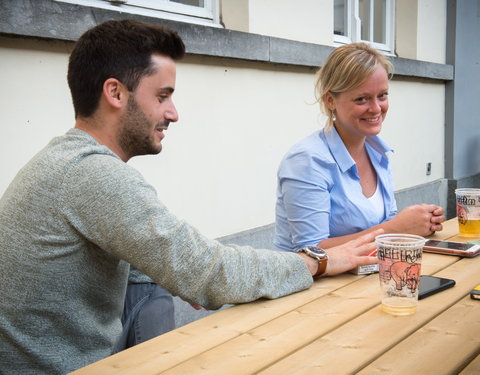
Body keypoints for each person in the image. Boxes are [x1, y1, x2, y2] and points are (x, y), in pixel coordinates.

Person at [0, 20, 381, 374]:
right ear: (115, 92)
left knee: (152, 282)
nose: (174, 113)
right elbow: (209, 273)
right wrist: (316, 261)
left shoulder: (66, 159)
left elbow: (189, 263)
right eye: (163, 96)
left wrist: (185, 273)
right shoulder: (94, 176)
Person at [274, 42, 445, 252]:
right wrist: (398, 229)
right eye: (361, 99)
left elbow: (384, 223)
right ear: (330, 100)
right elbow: (311, 252)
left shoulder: (377, 152)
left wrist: (420, 223)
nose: (376, 109)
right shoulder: (307, 160)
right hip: (315, 285)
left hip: (367, 276)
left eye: (382, 95)